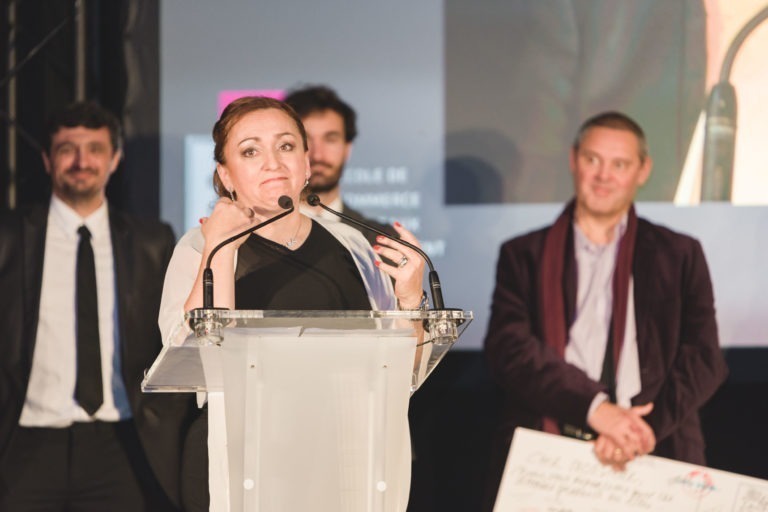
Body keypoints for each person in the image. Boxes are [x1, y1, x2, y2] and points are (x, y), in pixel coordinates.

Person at [158, 96, 427, 511]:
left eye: (286, 146)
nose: (272, 162)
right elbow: (195, 363)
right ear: (226, 174)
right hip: (244, 462)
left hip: (341, 459)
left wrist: (410, 298)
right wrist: (221, 250)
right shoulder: (199, 247)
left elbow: (401, 373)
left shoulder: (351, 244)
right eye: (251, 151)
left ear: (305, 162)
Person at [483, 111, 728, 508]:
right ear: (573, 159)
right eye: (593, 160)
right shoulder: (523, 254)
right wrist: (597, 411)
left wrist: (638, 430)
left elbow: (704, 359)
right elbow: (508, 350)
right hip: (550, 450)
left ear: (643, 170)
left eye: (620, 164)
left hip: (657, 450)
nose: (604, 175)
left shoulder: (679, 254)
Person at [0, 101, 194, 511]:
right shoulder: (11, 236)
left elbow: (171, 339)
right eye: (68, 148)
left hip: (121, 445)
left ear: (115, 159)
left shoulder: (151, 241)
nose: (82, 161)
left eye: (95, 148)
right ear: (48, 160)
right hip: (23, 441)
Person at [284, 84, 398, 245]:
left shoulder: (381, 241)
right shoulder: (256, 236)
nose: (317, 154)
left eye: (330, 139)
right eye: (306, 139)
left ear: (347, 149)